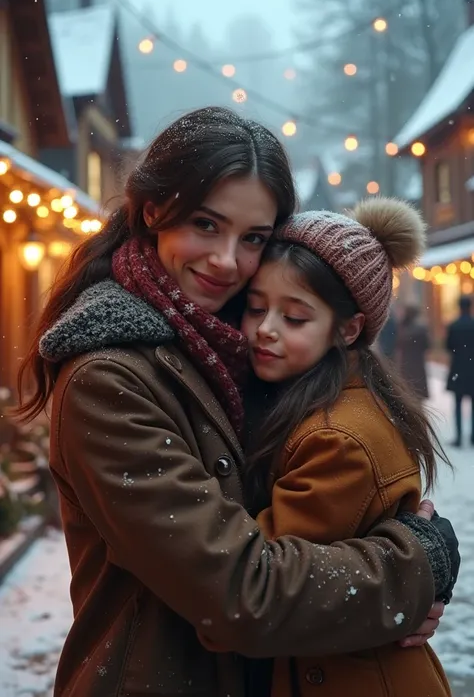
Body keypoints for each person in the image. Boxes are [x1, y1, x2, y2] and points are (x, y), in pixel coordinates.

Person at [15, 108, 457, 697]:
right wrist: (413, 571)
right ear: (153, 211)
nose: (227, 260)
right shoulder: (109, 379)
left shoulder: (234, 344)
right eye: (205, 224)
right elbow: (241, 592)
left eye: (253, 238)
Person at [239, 200, 452, 696]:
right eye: (255, 308)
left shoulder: (337, 439)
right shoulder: (313, 399)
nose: (266, 328)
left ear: (348, 329)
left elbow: (263, 574)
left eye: (293, 317)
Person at [446, 295, 474, 446]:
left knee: (457, 404)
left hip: (458, 368)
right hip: (473, 369)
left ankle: (458, 437)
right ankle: (473, 436)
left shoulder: (454, 325)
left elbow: (448, 346)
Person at [397, 303, 430, 399]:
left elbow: (398, 344)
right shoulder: (421, 329)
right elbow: (427, 346)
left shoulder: (402, 328)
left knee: (407, 393)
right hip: (418, 363)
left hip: (406, 363)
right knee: (418, 392)